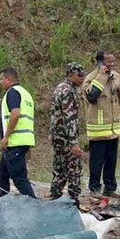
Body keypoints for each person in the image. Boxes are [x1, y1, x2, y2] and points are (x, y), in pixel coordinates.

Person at [82, 51, 120, 198]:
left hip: (113, 128)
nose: (112, 65)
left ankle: (110, 188)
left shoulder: (116, 76)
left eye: (113, 61)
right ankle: (94, 188)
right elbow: (91, 96)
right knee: (97, 161)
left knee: (111, 160)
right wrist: (101, 76)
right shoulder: (90, 78)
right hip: (98, 129)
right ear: (100, 63)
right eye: (109, 62)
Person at [48, 62, 85, 203]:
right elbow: (69, 118)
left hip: (58, 136)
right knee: (74, 168)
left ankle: (55, 196)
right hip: (66, 138)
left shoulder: (62, 88)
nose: (82, 78)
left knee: (59, 168)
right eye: (79, 75)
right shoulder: (67, 91)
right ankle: (73, 199)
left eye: (83, 75)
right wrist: (74, 143)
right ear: (70, 75)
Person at [0, 66, 36, 198]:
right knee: (1, 174)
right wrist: (27, 147)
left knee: (20, 179)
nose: (0, 82)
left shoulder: (12, 93)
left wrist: (6, 136)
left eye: (1, 79)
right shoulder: (26, 94)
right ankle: (2, 203)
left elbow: (16, 114)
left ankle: (34, 207)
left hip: (14, 143)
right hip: (22, 142)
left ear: (9, 79)